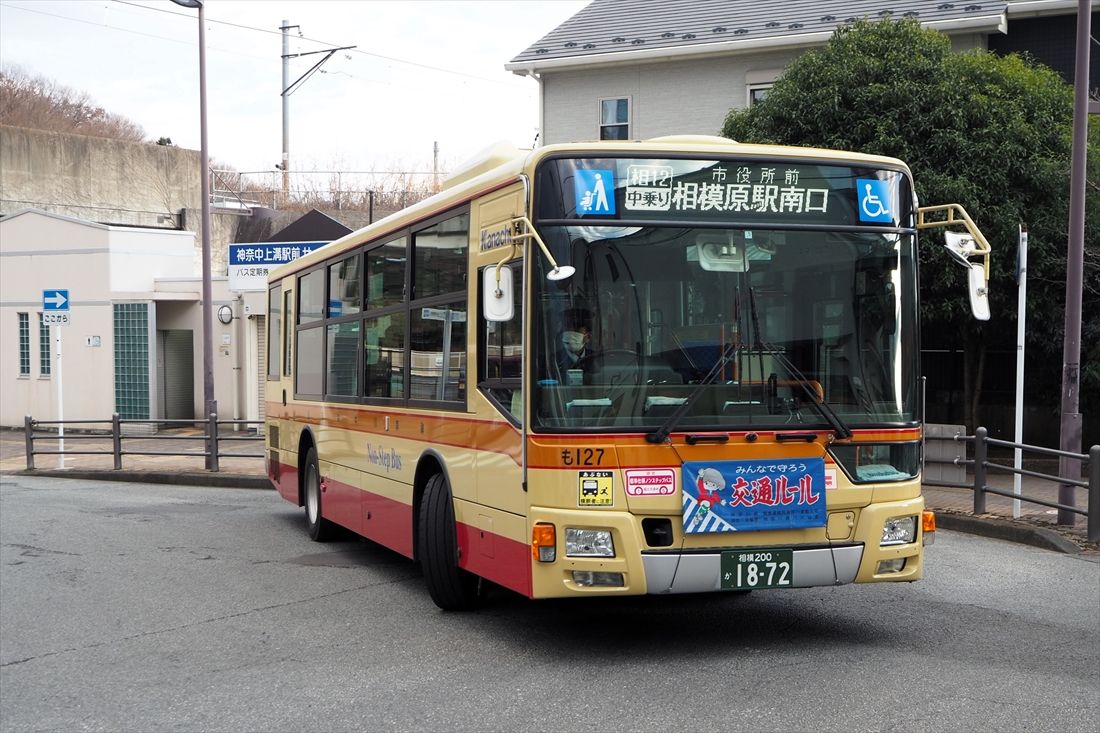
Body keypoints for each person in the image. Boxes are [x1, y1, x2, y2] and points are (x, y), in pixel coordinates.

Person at [556, 307, 599, 381]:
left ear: (588, 337)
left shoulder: (597, 359)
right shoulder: (553, 361)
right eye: (567, 328)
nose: (571, 333)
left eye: (577, 329)